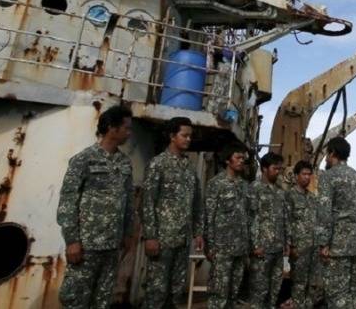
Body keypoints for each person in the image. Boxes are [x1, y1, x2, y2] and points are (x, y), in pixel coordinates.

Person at [57, 106, 135, 309]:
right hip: (87, 245)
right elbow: (67, 202)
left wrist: (127, 234)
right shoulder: (84, 159)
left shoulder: (124, 163)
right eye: (126, 128)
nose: (129, 132)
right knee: (75, 299)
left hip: (112, 246)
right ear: (111, 128)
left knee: (103, 300)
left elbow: (128, 201)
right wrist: (72, 241)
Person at [142, 116, 204, 308]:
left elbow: (196, 202)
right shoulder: (157, 164)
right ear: (172, 136)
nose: (188, 139)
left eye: (190, 136)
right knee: (156, 292)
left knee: (176, 293)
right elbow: (147, 202)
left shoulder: (189, 167)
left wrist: (198, 232)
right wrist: (151, 236)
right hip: (162, 239)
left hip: (183, 240)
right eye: (184, 135)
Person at [316, 137, 356, 309]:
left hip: (336, 246)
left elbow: (324, 212)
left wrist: (323, 243)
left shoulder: (328, 177)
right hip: (355, 244)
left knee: (337, 294)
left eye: (327, 154)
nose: (325, 159)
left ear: (333, 153)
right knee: (354, 291)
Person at [205, 143, 250, 309]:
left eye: (243, 159)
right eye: (238, 158)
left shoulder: (245, 186)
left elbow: (248, 217)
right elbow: (209, 215)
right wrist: (209, 245)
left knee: (233, 294)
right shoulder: (216, 184)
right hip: (221, 248)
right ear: (227, 160)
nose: (241, 161)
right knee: (218, 294)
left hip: (240, 248)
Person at [248, 152, 289, 308]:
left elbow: (284, 218)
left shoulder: (280, 192)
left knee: (274, 292)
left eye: (280, 169)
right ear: (264, 168)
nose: (277, 172)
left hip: (278, 249)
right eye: (274, 168)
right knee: (259, 292)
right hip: (262, 250)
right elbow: (251, 218)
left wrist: (286, 242)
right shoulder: (255, 189)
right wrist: (255, 244)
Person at [287, 161, 317, 309]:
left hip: (314, 248)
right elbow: (286, 222)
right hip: (299, 249)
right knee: (298, 284)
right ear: (296, 176)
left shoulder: (313, 198)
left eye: (309, 174)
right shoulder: (289, 196)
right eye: (304, 174)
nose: (307, 177)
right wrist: (290, 246)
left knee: (313, 285)